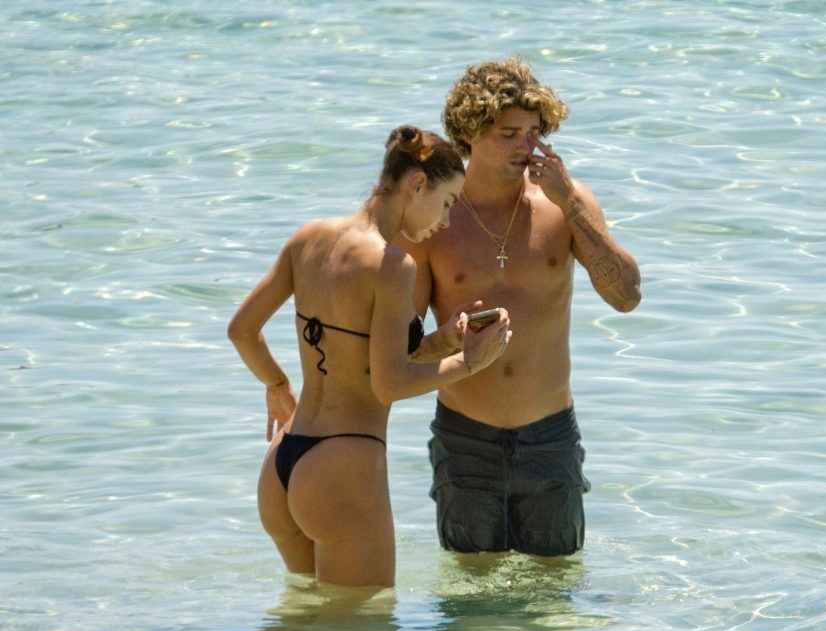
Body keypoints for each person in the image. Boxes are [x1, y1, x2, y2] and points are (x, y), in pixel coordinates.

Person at [228, 126, 512, 587]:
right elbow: (388, 384)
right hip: (343, 465)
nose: (445, 221)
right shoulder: (392, 265)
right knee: (362, 630)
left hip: (284, 461)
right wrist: (470, 363)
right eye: (445, 203)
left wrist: (276, 385)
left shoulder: (309, 238)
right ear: (416, 184)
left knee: (306, 620)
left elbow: (242, 330)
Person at [400, 58, 642, 558]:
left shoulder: (566, 204)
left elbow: (626, 297)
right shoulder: (436, 219)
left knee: (555, 589)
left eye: (534, 133)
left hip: (550, 434)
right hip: (465, 437)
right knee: (470, 592)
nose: (526, 147)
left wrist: (570, 204)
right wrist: (450, 339)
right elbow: (402, 349)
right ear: (468, 134)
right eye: (508, 134)